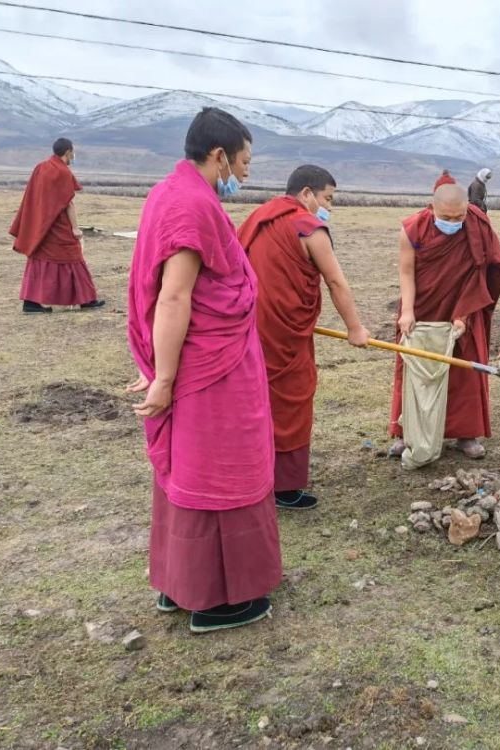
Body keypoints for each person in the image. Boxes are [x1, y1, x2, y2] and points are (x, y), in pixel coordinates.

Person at [126, 107, 281, 634]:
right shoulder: (193, 205)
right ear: (219, 155)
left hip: (199, 361)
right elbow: (173, 296)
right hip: (209, 370)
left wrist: (158, 365)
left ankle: (179, 582)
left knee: (188, 465)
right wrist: (163, 377)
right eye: (242, 162)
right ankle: (218, 599)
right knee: (219, 469)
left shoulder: (169, 192)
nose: (244, 174)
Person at [239, 165, 370, 511]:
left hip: (250, 328)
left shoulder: (257, 218)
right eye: (327, 198)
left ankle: (252, 476)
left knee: (256, 399)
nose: (329, 206)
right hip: (284, 334)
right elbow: (336, 281)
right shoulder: (309, 227)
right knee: (291, 401)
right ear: (307, 194)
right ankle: (283, 488)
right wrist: (355, 328)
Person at [388, 183, 500, 460]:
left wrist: (464, 313)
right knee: (413, 368)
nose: (454, 223)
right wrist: (407, 311)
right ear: (432, 209)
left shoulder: (477, 227)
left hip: (464, 304)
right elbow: (407, 273)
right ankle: (406, 432)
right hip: (422, 306)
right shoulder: (413, 230)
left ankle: (466, 433)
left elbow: (482, 271)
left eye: (459, 217)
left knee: (464, 370)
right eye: (446, 218)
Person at [9, 138, 104, 313]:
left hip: (41, 224)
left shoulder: (41, 168)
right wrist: (75, 228)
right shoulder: (63, 172)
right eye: (72, 153)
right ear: (68, 152)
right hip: (57, 225)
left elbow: (33, 197)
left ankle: (31, 303)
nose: (73, 156)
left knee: (38, 259)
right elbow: (68, 202)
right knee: (73, 256)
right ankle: (86, 299)